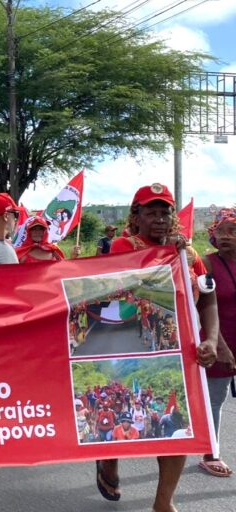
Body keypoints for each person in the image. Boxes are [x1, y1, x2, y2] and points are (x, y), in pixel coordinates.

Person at [95, 183, 220, 512]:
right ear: (136, 217)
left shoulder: (188, 254)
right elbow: (123, 285)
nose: (160, 219)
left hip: (178, 351)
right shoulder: (124, 245)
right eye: (151, 212)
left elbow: (208, 298)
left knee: (176, 425)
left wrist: (211, 339)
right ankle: (108, 460)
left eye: (165, 212)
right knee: (122, 416)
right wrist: (167, 254)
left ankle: (163, 502)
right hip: (129, 348)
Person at [200, 207, 236, 477]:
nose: (225, 236)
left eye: (232, 231)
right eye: (220, 231)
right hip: (220, 342)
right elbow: (203, 307)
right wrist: (220, 346)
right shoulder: (207, 264)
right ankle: (210, 453)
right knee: (215, 398)